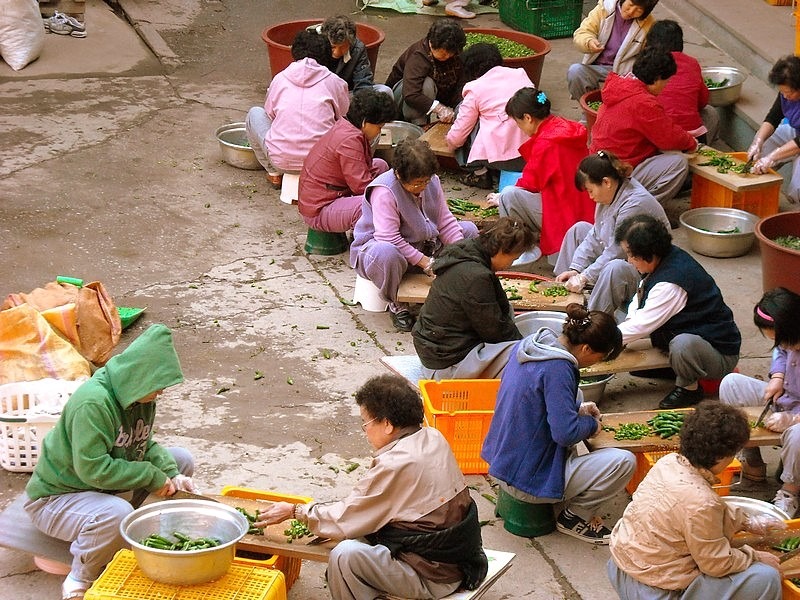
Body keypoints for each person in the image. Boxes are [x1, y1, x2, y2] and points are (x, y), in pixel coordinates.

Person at [254, 374, 488, 600]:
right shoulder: (432, 436)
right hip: (459, 559)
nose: (364, 431)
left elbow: (345, 518)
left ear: (386, 424)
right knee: (359, 533)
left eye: (365, 423)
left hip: (435, 576)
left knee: (345, 556)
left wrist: (296, 511)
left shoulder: (397, 463)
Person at [24, 324, 196, 600]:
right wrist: (152, 476)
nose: (161, 393)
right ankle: (80, 578)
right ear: (140, 377)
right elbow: (93, 470)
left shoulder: (140, 397)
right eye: (158, 386)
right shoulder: (93, 404)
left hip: (100, 489)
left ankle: (150, 536)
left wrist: (171, 474)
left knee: (181, 459)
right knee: (115, 513)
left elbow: (141, 444)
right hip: (58, 497)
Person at [481, 304, 635, 544]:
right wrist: (591, 426)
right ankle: (574, 518)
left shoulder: (533, 343)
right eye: (599, 357)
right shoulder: (559, 368)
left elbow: (535, 402)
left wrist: (578, 411)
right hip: (524, 479)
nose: (595, 363)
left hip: (501, 458)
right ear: (586, 348)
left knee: (579, 398)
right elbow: (565, 433)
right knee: (624, 462)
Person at [608, 401, 783, 600]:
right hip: (653, 590)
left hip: (620, 568)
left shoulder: (668, 463)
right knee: (765, 577)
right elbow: (716, 564)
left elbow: (691, 510)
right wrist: (755, 557)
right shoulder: (702, 502)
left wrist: (745, 520)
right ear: (720, 457)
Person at [350, 139, 478, 332]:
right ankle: (397, 304)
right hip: (381, 251)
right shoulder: (384, 191)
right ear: (399, 175)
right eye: (417, 184)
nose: (423, 187)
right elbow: (389, 237)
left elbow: (445, 220)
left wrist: (459, 254)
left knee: (468, 230)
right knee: (387, 253)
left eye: (426, 181)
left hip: (424, 245)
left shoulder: (431, 182)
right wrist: (426, 263)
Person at [614, 214, 741, 409]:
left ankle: (689, 389)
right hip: (690, 335)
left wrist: (607, 340)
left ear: (649, 253)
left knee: (682, 344)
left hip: (718, 352)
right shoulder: (664, 258)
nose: (629, 261)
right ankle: (672, 368)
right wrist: (623, 330)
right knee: (626, 320)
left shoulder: (671, 283)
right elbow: (639, 299)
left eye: (632, 255)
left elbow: (642, 325)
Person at [412, 218, 537, 379]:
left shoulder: (465, 251)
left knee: (508, 313)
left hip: (435, 350)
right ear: (501, 251)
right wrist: (528, 347)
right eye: (512, 259)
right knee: (525, 358)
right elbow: (496, 332)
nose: (511, 264)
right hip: (445, 365)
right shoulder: (476, 277)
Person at [554, 150, 670, 318]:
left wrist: (585, 276)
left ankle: (592, 319)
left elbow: (617, 251)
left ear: (606, 182)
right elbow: (595, 234)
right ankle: (563, 291)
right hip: (623, 256)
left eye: (590, 190)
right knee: (578, 229)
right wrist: (575, 269)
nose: (590, 196)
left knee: (613, 267)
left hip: (646, 271)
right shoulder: (609, 194)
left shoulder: (634, 203)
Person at [487, 87, 595, 265]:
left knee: (508, 195)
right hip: (584, 208)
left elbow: (530, 182)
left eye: (518, 122)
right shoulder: (566, 126)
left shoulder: (547, 142)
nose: (520, 128)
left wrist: (500, 198)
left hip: (564, 212)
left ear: (528, 118)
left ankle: (525, 247)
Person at [719, 287, 800, 517]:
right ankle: (752, 461)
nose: (779, 345)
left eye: (781, 340)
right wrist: (777, 377)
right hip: (784, 398)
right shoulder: (787, 340)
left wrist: (793, 419)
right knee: (731, 384)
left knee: (797, 435)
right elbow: (780, 354)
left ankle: (789, 491)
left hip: (797, 418)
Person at [589, 46, 698, 206]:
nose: (665, 86)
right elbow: (669, 137)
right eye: (666, 82)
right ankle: (641, 209)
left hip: (599, 164)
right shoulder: (642, 102)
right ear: (657, 79)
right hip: (616, 171)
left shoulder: (621, 85)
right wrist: (692, 143)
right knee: (678, 163)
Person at [245, 29, 350, 188]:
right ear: (326, 55)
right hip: (323, 164)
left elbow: (270, 114)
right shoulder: (335, 82)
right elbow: (343, 116)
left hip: (282, 161)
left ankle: (274, 173)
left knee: (255, 114)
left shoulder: (280, 78)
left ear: (294, 52)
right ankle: (350, 173)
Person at [298, 88, 396, 233]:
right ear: (364, 122)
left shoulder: (347, 126)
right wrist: (394, 196)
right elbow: (361, 187)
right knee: (371, 206)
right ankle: (363, 242)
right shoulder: (349, 141)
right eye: (379, 127)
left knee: (380, 166)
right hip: (319, 209)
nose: (379, 132)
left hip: (333, 191)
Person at [444, 43, 534, 190]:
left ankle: (479, 173)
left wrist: (449, 142)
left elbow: (458, 136)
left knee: (463, 117)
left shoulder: (475, 88)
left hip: (503, 158)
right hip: (530, 154)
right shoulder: (520, 74)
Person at [567, 0, 659, 101]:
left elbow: (649, 56)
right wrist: (589, 41)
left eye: (639, 10)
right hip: (597, 67)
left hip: (625, 73)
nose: (631, 11)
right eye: (631, 5)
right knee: (575, 71)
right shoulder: (604, 9)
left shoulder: (649, 25)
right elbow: (583, 32)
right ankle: (588, 112)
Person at [645, 19, 718, 144]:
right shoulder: (692, 63)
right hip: (692, 136)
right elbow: (702, 101)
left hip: (659, 137)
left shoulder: (648, 64)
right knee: (711, 113)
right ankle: (705, 149)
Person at [385, 19, 466, 126]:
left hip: (428, 97)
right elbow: (411, 94)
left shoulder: (454, 55)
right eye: (444, 54)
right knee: (427, 84)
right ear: (432, 43)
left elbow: (460, 83)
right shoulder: (419, 56)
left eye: (450, 54)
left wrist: (460, 108)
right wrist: (439, 108)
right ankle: (418, 124)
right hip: (401, 100)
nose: (447, 57)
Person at [747, 55, 800, 203]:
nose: (785, 96)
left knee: (798, 186)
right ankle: (756, 193)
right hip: (796, 131)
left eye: (789, 93)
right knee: (764, 146)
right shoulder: (786, 92)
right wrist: (758, 141)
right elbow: (773, 117)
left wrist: (772, 158)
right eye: (782, 92)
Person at [318, 15, 392, 96]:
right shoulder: (314, 44)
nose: (336, 53)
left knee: (385, 91)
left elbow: (363, 83)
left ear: (350, 43)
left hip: (346, 95)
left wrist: (359, 105)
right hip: (319, 95)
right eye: (333, 47)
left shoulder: (358, 49)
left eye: (342, 47)